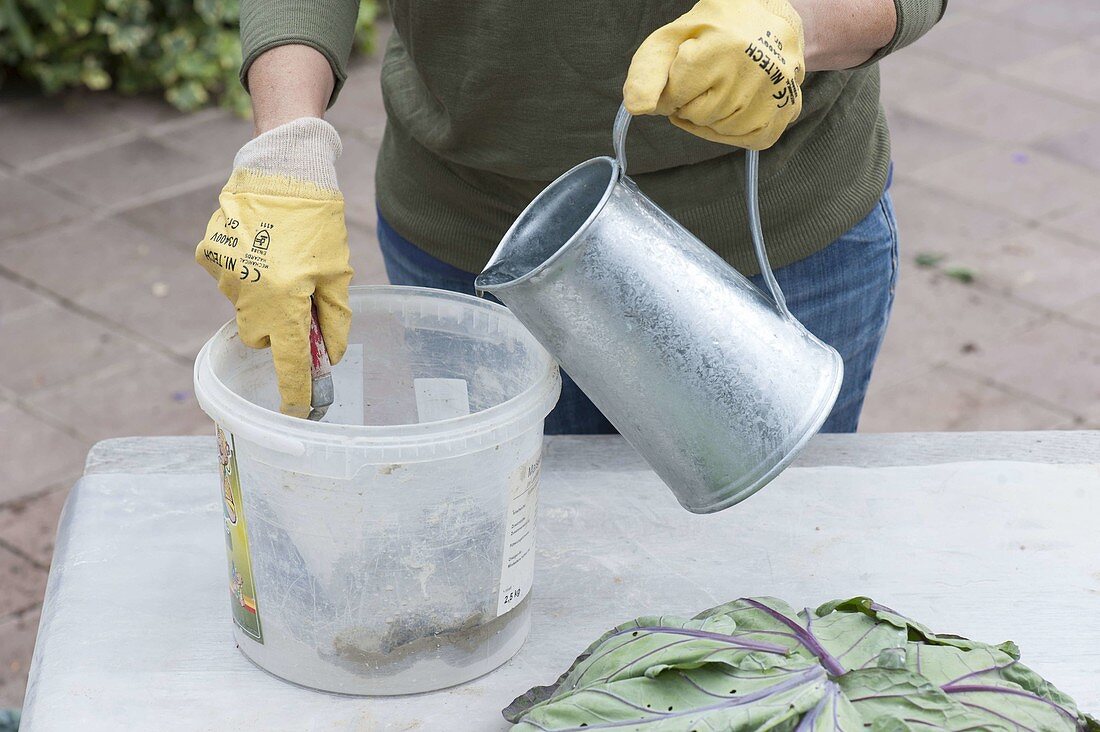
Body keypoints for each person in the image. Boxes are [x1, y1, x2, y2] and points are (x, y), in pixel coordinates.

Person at [196, 0, 947, 430]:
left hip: (764, 239)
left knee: (769, 588)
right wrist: (286, 148)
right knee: (524, 573)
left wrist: (796, 23)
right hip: (478, 247)